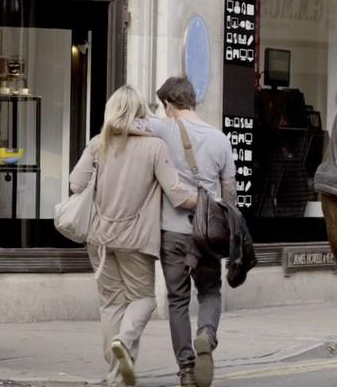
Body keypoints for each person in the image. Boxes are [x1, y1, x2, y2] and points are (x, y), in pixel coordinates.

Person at [69, 86, 197, 387]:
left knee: (111, 305)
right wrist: (206, 202)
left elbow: (76, 184)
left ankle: (116, 378)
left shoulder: (97, 144)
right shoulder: (155, 147)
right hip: (136, 240)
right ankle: (125, 342)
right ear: (142, 112)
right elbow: (177, 194)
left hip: (99, 239)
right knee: (143, 300)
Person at [135, 77, 237, 387]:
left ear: (168, 104)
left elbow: (126, 121)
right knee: (209, 290)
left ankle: (186, 370)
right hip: (207, 233)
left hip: (172, 232)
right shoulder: (220, 139)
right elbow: (229, 193)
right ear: (192, 100)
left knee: (177, 300)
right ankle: (206, 332)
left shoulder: (163, 129)